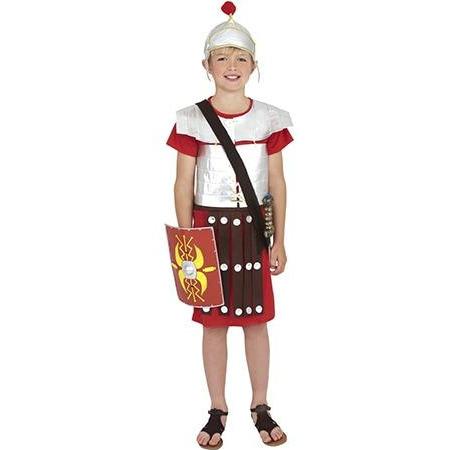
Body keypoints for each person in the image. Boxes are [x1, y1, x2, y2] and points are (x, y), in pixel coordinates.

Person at [166, 2, 294, 448]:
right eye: (222, 57)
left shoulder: (270, 118)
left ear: (254, 65)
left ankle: (261, 405)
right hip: (208, 230)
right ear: (207, 66)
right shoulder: (190, 118)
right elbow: (183, 183)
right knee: (214, 324)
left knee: (256, 322)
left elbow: (276, 182)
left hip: (253, 229)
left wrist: (279, 240)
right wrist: (188, 242)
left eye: (240, 58)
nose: (232, 66)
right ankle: (217, 408)